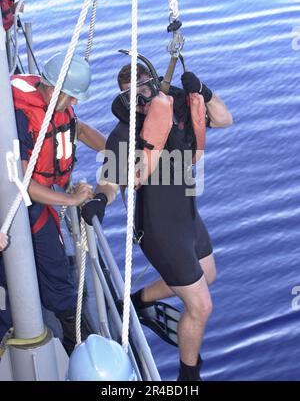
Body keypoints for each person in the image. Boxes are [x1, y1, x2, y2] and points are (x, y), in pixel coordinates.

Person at [81, 56, 233, 380]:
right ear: (122, 98)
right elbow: (110, 181)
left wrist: (204, 92)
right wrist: (99, 200)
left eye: (144, 86)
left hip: (189, 218)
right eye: (129, 93)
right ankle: (188, 376)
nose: (140, 96)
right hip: (159, 230)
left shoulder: (176, 107)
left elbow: (223, 119)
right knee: (201, 306)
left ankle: (138, 301)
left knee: (208, 275)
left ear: (153, 83)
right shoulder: (123, 135)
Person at [0, 52, 106, 355]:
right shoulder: (19, 116)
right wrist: (70, 199)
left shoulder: (53, 106)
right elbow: (23, 184)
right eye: (71, 97)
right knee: (36, 274)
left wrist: (119, 150)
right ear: (53, 87)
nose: (74, 103)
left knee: (52, 272)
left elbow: (80, 129)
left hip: (40, 202)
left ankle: (74, 335)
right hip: (20, 207)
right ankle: (67, 339)